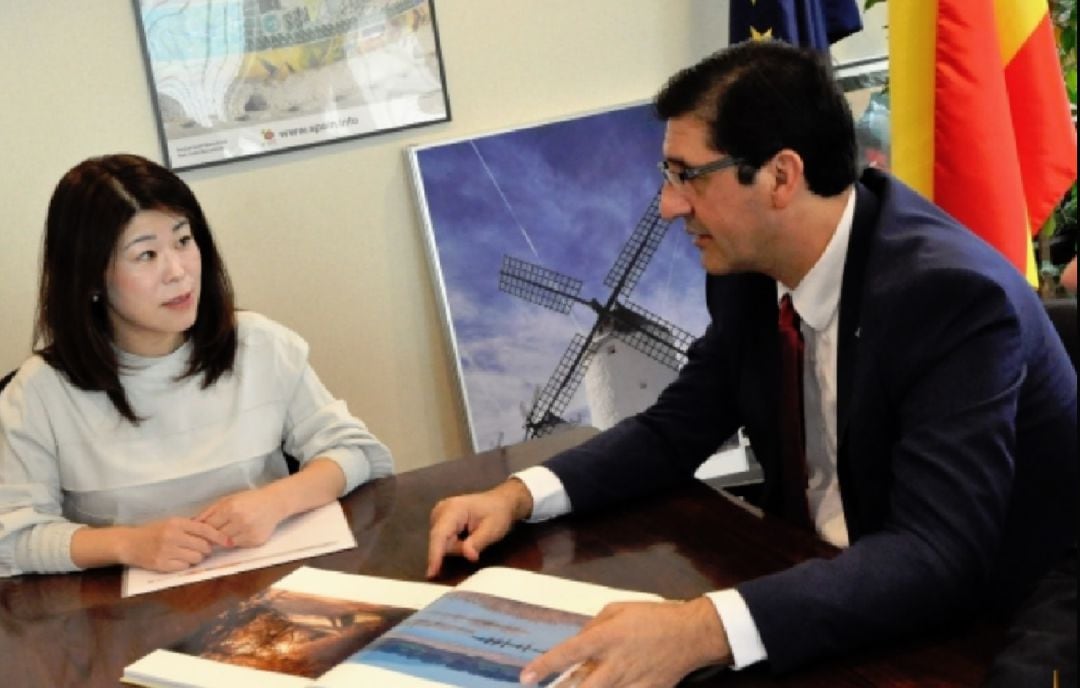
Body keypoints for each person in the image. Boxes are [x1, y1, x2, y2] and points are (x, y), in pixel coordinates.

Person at [427, 41, 1078, 685]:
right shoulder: (745, 271)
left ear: (781, 176)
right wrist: (518, 495)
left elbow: (937, 553)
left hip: (984, 623)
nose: (668, 205)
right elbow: (673, 429)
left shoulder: (949, 297)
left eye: (688, 175)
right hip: (815, 580)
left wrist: (698, 630)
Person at [0, 154, 393, 578]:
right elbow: (12, 538)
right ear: (91, 278)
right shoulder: (40, 392)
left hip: (270, 588)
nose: (178, 271)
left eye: (184, 241)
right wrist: (129, 543)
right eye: (146, 254)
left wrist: (277, 500)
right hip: (126, 620)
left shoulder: (259, 345)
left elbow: (359, 452)